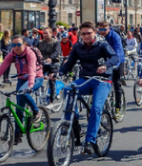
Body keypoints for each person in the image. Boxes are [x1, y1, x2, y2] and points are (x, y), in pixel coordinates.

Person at [50, 21, 120, 155]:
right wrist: (59, 73)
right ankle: (70, 121)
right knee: (69, 89)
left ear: (94, 32)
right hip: (86, 79)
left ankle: (90, 141)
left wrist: (106, 64)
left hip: (102, 80)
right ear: (80, 34)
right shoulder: (78, 46)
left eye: (89, 33)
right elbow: (69, 63)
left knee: (96, 108)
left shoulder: (102, 44)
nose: (86, 36)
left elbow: (114, 57)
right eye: (83, 34)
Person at [0, 35, 44, 145]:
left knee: (24, 94)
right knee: (19, 109)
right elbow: (0, 69)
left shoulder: (30, 53)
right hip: (22, 79)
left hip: (36, 78)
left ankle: (37, 111)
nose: (16, 47)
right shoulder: (12, 55)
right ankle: (17, 135)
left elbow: (32, 70)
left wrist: (30, 86)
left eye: (18, 44)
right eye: (14, 45)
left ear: (24, 44)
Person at [97, 21, 126, 116]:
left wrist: (115, 65)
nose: (102, 32)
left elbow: (118, 52)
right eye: (100, 29)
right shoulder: (98, 36)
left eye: (104, 29)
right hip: (105, 61)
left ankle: (118, 108)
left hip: (117, 60)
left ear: (108, 28)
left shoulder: (115, 36)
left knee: (116, 83)